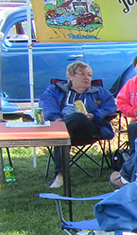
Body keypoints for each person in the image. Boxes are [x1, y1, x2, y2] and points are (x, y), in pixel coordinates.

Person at [38, 61, 117, 189]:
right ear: (70, 76)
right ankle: (60, 175)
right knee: (63, 134)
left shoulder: (99, 92)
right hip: (64, 128)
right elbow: (47, 105)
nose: (87, 78)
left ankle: (60, 175)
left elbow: (111, 108)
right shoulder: (55, 90)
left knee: (77, 118)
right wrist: (56, 118)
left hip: (89, 129)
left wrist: (95, 115)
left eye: (90, 75)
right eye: (82, 74)